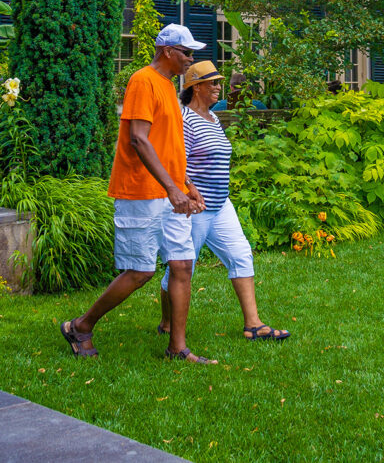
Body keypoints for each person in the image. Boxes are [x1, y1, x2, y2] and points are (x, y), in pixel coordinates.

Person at [61, 25, 217, 364]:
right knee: (140, 271)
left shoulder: (167, 87)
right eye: (186, 52)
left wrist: (186, 184)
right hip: (140, 192)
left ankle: (178, 348)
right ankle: (80, 326)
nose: (191, 59)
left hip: (167, 192)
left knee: (181, 264)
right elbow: (139, 139)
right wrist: (172, 188)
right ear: (166, 51)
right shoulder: (143, 81)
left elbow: (168, 148)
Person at [158, 60, 290, 341]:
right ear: (195, 87)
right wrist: (189, 191)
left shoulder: (213, 118)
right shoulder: (185, 119)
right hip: (195, 209)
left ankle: (253, 325)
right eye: (213, 82)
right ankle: (167, 323)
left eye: (219, 82)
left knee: (241, 256)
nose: (219, 87)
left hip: (220, 205)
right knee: (182, 269)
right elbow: (174, 162)